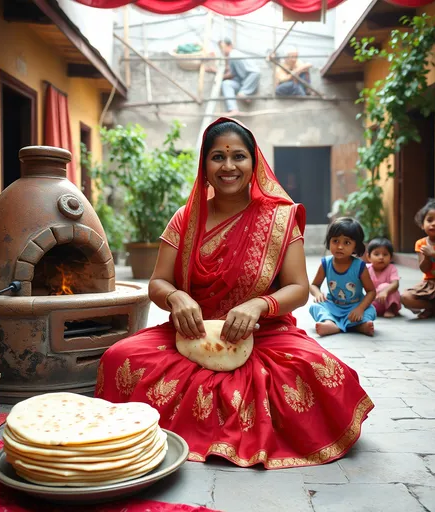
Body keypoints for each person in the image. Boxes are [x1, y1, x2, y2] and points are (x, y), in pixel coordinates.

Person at [95, 118, 373, 469]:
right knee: (119, 357)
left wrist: (259, 304)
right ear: (204, 165)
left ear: (253, 164)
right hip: (191, 331)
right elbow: (158, 282)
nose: (228, 166)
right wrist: (176, 298)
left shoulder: (279, 219)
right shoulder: (185, 219)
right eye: (217, 157)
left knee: (321, 371)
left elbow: (299, 289)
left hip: (265, 331)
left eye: (239, 156)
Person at [309, 218, 377, 337]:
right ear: (329, 241)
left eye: (347, 242)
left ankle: (359, 325)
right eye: (335, 241)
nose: (340, 246)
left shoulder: (359, 266)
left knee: (371, 310)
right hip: (333, 305)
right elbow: (314, 285)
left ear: (355, 247)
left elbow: (371, 291)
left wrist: (360, 309)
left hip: (354, 307)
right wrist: (318, 294)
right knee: (315, 307)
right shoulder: (326, 263)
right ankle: (330, 323)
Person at [219, 38, 260, 115]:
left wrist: (219, 77)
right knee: (226, 84)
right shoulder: (231, 56)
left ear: (230, 46)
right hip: (241, 81)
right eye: (221, 49)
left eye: (223, 47)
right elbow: (233, 73)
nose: (222, 50)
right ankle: (234, 109)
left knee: (240, 91)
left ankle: (244, 93)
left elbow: (231, 74)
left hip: (248, 80)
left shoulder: (233, 54)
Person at [366, 237, 401, 318]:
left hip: (388, 299)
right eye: (376, 254)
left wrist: (385, 291)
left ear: (391, 257)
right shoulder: (366, 269)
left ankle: (390, 309)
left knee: (385, 286)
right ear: (368, 257)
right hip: (374, 300)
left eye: (385, 254)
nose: (381, 257)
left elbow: (395, 283)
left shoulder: (391, 268)